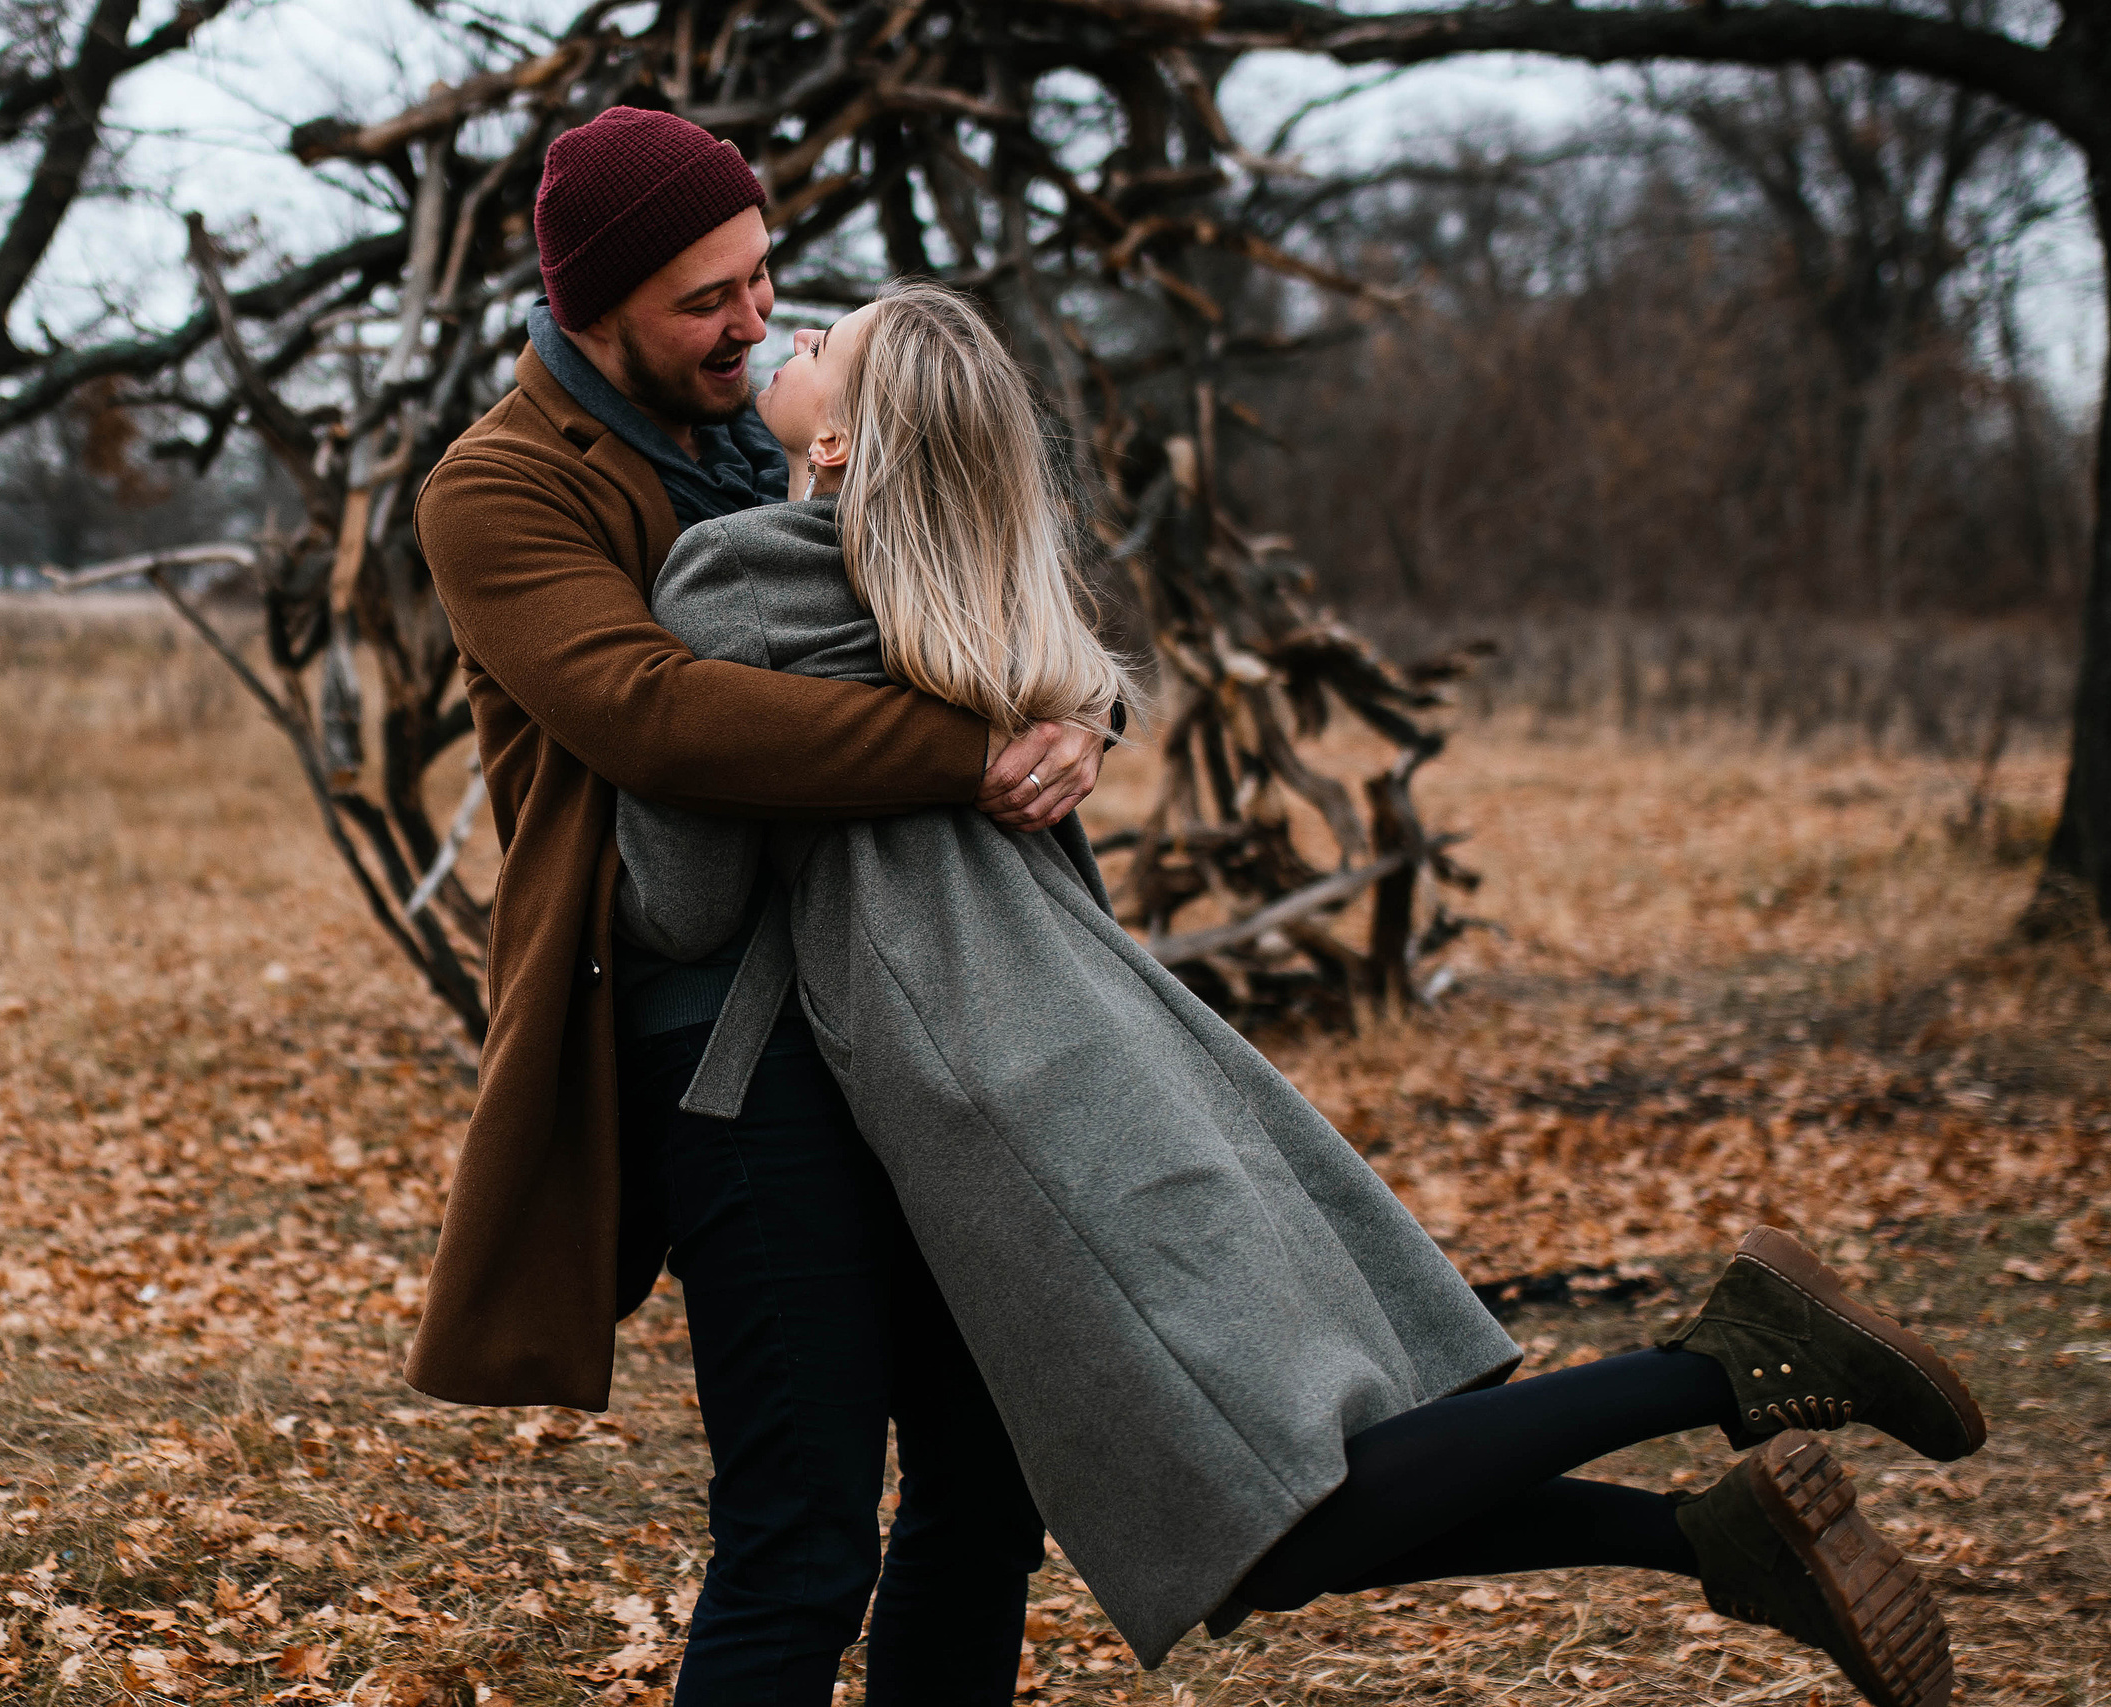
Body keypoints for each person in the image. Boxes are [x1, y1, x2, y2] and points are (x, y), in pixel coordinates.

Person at [612, 280, 1985, 1707]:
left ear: (838, 451)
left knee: (1272, 1498)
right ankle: (1712, 1524)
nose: (795, 333)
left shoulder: (738, 576)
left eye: (827, 346)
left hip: (984, 1099)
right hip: (1095, 1050)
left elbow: (684, 898)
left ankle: (1721, 1362)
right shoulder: (985, 588)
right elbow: (1038, 710)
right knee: (1231, 1507)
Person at [410, 109, 1104, 1705]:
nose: (749, 320)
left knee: (986, 1495)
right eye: (703, 298)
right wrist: (969, 749)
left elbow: (974, 572)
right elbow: (656, 713)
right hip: (717, 1043)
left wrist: (1076, 724)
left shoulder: (789, 417)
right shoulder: (499, 490)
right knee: (799, 1532)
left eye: (759, 275)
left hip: (919, 998)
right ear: (590, 307)